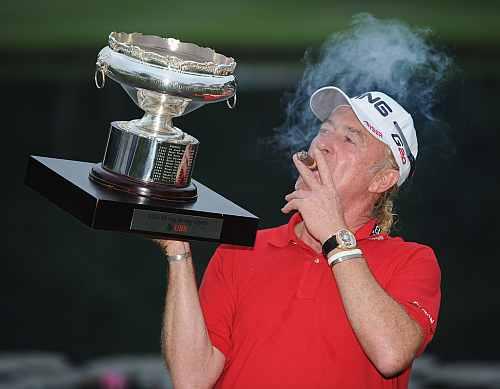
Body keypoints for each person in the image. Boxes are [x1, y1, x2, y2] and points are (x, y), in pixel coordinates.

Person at [157, 86, 441, 389]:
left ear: (381, 180)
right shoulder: (243, 249)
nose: (322, 145)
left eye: (349, 139)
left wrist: (335, 235)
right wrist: (178, 250)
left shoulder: (412, 260)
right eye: (324, 130)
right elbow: (191, 379)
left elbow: (391, 354)